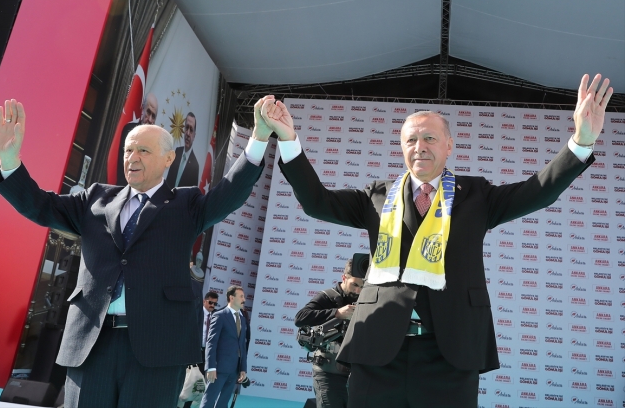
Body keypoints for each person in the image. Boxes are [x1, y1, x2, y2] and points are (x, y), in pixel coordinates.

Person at [260, 74, 613, 408]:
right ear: (402, 147)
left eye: (429, 138)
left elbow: (537, 191)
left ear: (449, 146)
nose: (420, 147)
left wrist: (580, 142)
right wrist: (289, 140)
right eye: (411, 140)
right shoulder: (376, 196)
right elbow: (317, 202)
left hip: (450, 352)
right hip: (377, 348)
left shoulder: (477, 195)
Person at [0, 95, 278, 408]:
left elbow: (229, 193)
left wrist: (258, 138)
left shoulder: (186, 205)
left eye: (143, 150)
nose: (132, 157)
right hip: (92, 344)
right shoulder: (95, 199)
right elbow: (41, 206)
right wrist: (9, 162)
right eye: (128, 150)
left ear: (168, 159)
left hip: (157, 349)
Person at [295, 259, 363, 408]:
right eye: (354, 285)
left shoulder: (367, 300)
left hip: (358, 376)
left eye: (362, 286)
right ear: (344, 278)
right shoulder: (328, 296)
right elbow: (300, 318)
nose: (358, 291)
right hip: (328, 374)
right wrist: (336, 313)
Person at [200, 286, 248, 408]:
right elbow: (211, 342)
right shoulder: (220, 316)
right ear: (231, 298)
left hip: (234, 370)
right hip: (218, 369)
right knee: (208, 401)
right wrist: (211, 367)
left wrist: (243, 368)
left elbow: (242, 345)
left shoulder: (242, 319)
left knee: (222, 404)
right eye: (241, 296)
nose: (244, 299)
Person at [116, 92, 159, 186]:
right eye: (148, 112)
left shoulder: (155, 141)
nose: (150, 119)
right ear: (142, 109)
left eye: (153, 116)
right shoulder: (129, 130)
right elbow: (123, 163)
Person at [166, 112, 200, 188]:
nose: (188, 133)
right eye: (187, 128)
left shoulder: (195, 166)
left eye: (191, 130)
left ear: (194, 135)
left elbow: (191, 193)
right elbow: (168, 180)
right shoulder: (177, 152)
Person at [199, 291, 219, 376]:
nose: (212, 305)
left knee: (202, 377)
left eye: (215, 304)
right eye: (210, 302)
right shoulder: (197, 313)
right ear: (204, 301)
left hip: (207, 352)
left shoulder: (216, 316)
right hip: (195, 349)